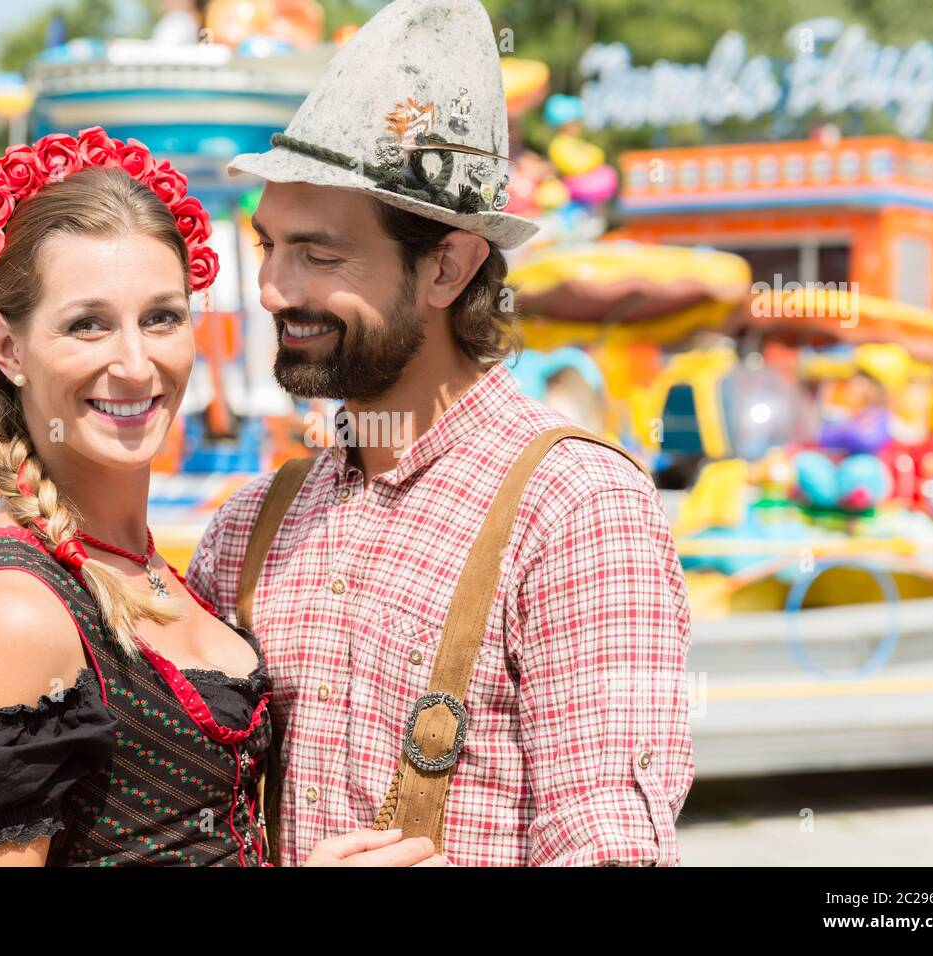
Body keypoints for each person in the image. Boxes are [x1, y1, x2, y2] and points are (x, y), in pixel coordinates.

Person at [186, 0, 695, 866]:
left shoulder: (575, 511)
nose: (272, 286)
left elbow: (612, 851)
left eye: (319, 253)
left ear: (448, 266)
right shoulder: (246, 530)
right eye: (268, 243)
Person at [0, 126, 440, 867]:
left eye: (162, 317)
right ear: (8, 347)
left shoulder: (155, 566)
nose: (136, 364)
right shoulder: (14, 609)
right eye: (88, 325)